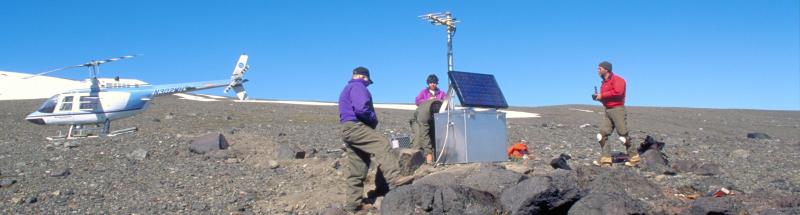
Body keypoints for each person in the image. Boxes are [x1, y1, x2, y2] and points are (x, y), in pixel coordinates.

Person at [338, 66, 414, 212]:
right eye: (367, 81)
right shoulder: (358, 87)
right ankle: (394, 178)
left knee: (358, 166)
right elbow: (361, 109)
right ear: (363, 77)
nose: (368, 84)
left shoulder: (346, 88)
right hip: (356, 126)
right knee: (382, 144)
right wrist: (373, 120)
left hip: (347, 129)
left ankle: (352, 205)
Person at [592, 61, 639, 167]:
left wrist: (602, 95)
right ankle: (606, 160)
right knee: (601, 135)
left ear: (606, 69)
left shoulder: (618, 80)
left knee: (623, 135)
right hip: (607, 110)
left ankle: (634, 157)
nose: (597, 70)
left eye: (599, 68)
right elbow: (607, 97)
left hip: (618, 109)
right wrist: (598, 98)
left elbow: (618, 92)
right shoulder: (603, 83)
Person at [412, 74, 445, 164]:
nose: (433, 84)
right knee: (419, 137)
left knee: (435, 137)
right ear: (428, 83)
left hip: (435, 119)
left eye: (434, 82)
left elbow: (446, 102)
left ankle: (436, 158)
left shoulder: (441, 93)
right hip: (422, 116)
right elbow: (417, 101)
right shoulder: (423, 92)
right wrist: (428, 100)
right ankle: (415, 160)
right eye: (431, 83)